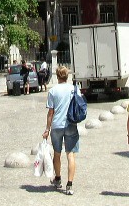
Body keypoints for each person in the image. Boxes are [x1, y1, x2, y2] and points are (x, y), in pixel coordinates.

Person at [42, 66, 79, 196]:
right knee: (70, 154)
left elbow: (50, 112)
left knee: (57, 153)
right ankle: (69, 184)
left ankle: (58, 179)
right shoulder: (73, 89)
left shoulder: (53, 91)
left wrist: (47, 129)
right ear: (67, 76)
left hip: (57, 125)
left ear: (57, 76)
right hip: (70, 124)